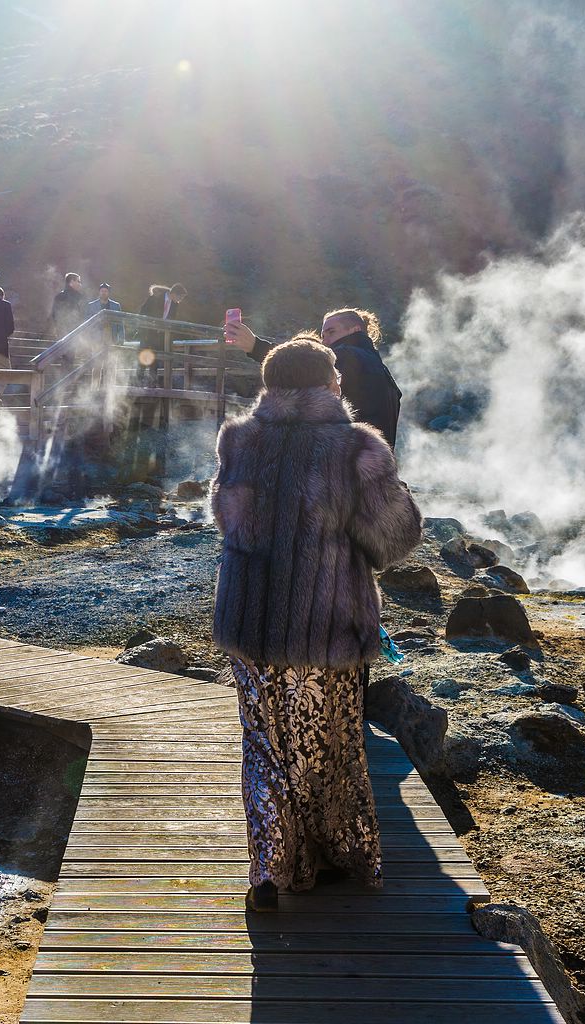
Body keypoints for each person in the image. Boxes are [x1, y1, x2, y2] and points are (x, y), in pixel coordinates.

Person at [209, 336, 422, 912]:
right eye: (334, 374)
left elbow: (228, 521)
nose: (340, 383)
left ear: (272, 385)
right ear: (325, 383)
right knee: (329, 744)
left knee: (264, 744)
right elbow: (394, 539)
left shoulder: (238, 440)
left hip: (251, 622)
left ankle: (268, 870)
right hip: (326, 625)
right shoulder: (356, 448)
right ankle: (335, 853)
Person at [225, 307, 402, 446]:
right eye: (323, 335)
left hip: (346, 467)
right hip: (373, 465)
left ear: (355, 330)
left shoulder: (347, 355)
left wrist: (255, 346)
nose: (324, 341)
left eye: (331, 332)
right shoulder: (382, 370)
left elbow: (299, 364)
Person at [50, 272, 87, 339]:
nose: (80, 284)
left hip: (75, 332)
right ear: (72, 281)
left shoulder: (79, 297)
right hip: (69, 332)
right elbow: (55, 314)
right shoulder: (61, 297)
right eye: (78, 281)